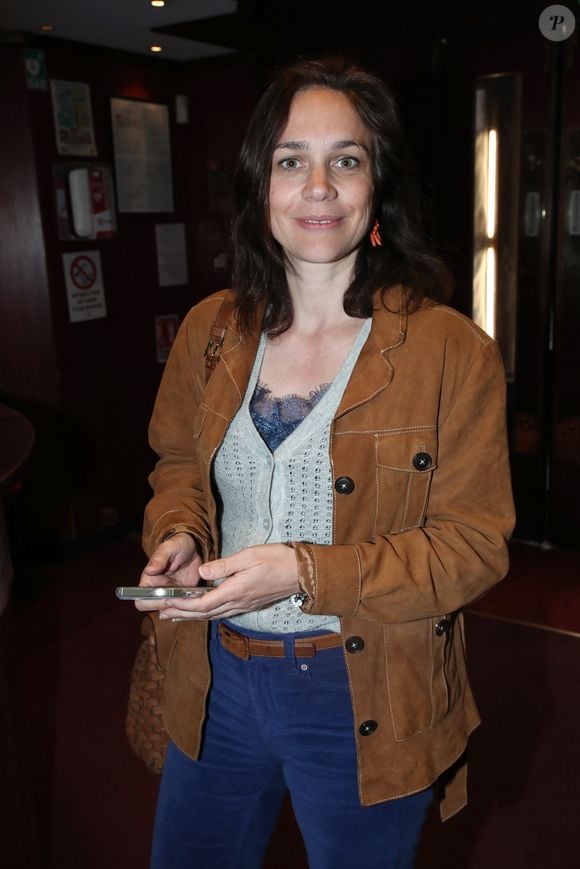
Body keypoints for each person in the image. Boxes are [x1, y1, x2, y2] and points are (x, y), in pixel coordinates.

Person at [135, 56, 515, 868]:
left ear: (377, 186)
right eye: (290, 160)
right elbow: (176, 461)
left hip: (362, 689)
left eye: (345, 159)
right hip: (217, 675)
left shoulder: (453, 353)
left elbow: (475, 545)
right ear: (260, 185)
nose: (318, 186)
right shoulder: (210, 330)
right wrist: (179, 532)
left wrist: (307, 571)